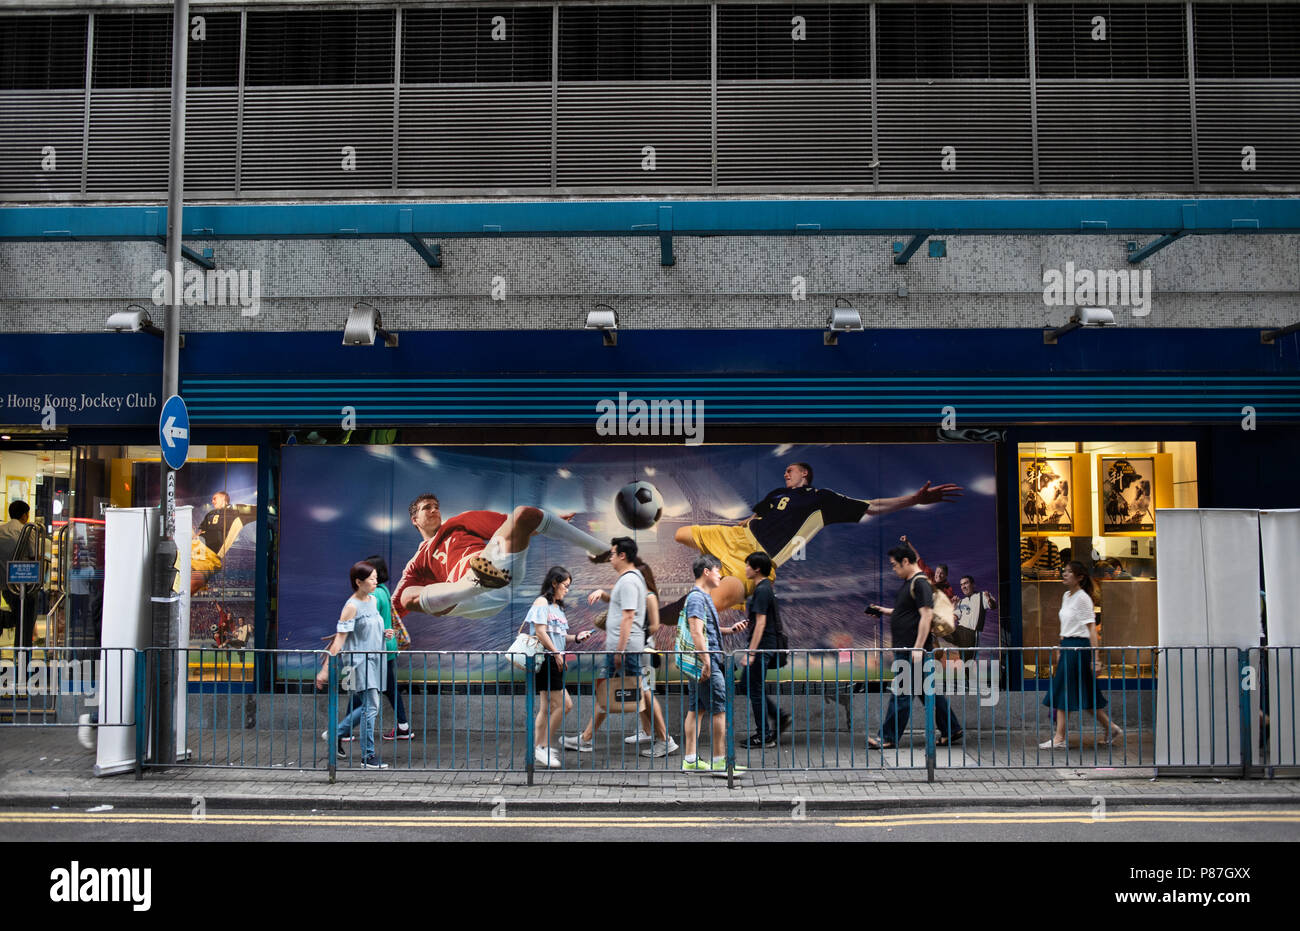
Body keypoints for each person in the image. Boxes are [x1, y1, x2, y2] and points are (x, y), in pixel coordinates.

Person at [662, 462, 961, 621]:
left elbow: (872, 506)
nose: (785, 473)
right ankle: (672, 604)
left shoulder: (823, 500)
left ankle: (663, 616)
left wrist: (914, 500)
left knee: (716, 601)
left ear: (804, 473)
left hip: (758, 559)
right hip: (736, 536)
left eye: (789, 470)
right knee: (680, 534)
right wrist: (745, 523)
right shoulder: (777, 493)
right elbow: (756, 516)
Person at [392, 493, 609, 623]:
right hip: (466, 596)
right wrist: (385, 630)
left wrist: (547, 521)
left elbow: (510, 525)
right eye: (426, 507)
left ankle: (602, 550)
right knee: (407, 597)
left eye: (436, 506)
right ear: (414, 520)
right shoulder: (417, 562)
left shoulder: (459, 522)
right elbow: (395, 607)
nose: (434, 510)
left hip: (499, 572)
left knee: (524, 513)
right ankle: (475, 582)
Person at [868, 544, 963, 750]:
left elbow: (926, 615)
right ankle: (952, 728)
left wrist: (918, 648)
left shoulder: (920, 583)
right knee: (928, 692)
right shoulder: (912, 583)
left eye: (895, 565)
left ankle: (888, 736)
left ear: (905, 561)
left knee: (901, 693)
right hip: (911, 650)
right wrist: (884, 611)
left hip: (912, 651)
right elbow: (907, 612)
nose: (893, 569)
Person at [563, 538, 652, 752]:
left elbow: (628, 616)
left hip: (624, 649)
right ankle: (587, 738)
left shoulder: (629, 580)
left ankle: (663, 738)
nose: (610, 558)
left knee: (640, 692)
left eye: (612, 554)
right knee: (631, 691)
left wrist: (619, 651)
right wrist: (605, 595)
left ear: (622, 555)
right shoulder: (628, 579)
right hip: (624, 648)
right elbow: (623, 604)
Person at [590, 557, 679, 758]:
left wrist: (639, 634)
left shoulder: (648, 596)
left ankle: (663, 738)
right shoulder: (637, 594)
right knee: (641, 691)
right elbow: (616, 602)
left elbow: (655, 624)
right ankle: (648, 732)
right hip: (635, 648)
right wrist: (603, 595)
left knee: (645, 691)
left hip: (644, 650)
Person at [316, 561, 395, 769]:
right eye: (371, 579)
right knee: (372, 706)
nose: (375, 581)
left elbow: (369, 628)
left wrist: (384, 634)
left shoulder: (372, 600)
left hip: (375, 658)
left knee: (370, 706)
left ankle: (335, 734)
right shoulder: (351, 607)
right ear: (358, 582)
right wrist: (325, 670)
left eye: (376, 577)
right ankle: (367, 756)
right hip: (359, 662)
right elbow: (340, 639)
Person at [1039, 561, 1123, 750]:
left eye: (1069, 572)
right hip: (1068, 646)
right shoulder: (1066, 596)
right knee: (1084, 693)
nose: (1064, 574)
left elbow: (1091, 628)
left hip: (1079, 648)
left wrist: (1096, 658)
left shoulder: (1083, 598)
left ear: (1080, 577)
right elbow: (1065, 626)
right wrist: (1061, 647)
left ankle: (1060, 737)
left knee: (1064, 691)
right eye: (1065, 571)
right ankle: (1110, 727)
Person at [680, 555, 749, 774]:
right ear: (707, 572)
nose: (721, 575)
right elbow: (696, 631)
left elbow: (705, 630)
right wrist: (707, 663)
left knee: (696, 709)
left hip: (699, 664)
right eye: (718, 570)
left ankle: (690, 760)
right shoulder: (698, 598)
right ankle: (720, 763)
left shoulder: (700, 597)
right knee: (720, 710)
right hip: (706, 664)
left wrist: (728, 630)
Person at [527, 566, 594, 768]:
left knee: (546, 708)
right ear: (554, 583)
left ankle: (539, 748)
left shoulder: (557, 607)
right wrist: (556, 653)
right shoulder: (541, 602)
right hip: (547, 659)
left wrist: (576, 638)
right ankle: (542, 746)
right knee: (565, 705)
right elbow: (540, 632)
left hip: (555, 659)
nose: (567, 590)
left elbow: (558, 634)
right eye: (565, 585)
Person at [338, 556, 411, 742]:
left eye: (372, 574)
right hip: (385, 648)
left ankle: (343, 731)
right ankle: (403, 726)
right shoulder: (384, 590)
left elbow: (367, 623)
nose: (373, 578)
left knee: (360, 690)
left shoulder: (374, 595)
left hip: (376, 649)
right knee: (386, 689)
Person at [736, 551, 791, 748]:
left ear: (757, 568)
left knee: (754, 688)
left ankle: (764, 735)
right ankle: (778, 717)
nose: (746, 568)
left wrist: (751, 653)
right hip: (763, 647)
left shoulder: (762, 589)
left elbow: (761, 624)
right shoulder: (763, 588)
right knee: (747, 686)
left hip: (761, 648)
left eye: (748, 565)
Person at [191, 491, 257, 594]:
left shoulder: (236, 509)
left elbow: (258, 509)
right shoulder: (210, 513)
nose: (212, 501)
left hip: (210, 554)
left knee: (192, 581)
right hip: (195, 547)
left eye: (215, 498)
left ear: (224, 499)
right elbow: (200, 532)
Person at [0, 501, 40, 648]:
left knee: (17, 616)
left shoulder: (1, 530)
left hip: (6, 586)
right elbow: (35, 556)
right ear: (25, 515)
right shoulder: (27, 531)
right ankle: (23, 655)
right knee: (26, 622)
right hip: (26, 587)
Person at [951, 574, 997, 661]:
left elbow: (993, 606)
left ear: (973, 584)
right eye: (961, 585)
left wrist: (989, 599)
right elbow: (954, 617)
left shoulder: (981, 595)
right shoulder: (961, 601)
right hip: (959, 630)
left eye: (965, 583)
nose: (963, 587)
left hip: (970, 633)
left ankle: (968, 673)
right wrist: (953, 607)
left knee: (966, 661)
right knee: (939, 629)